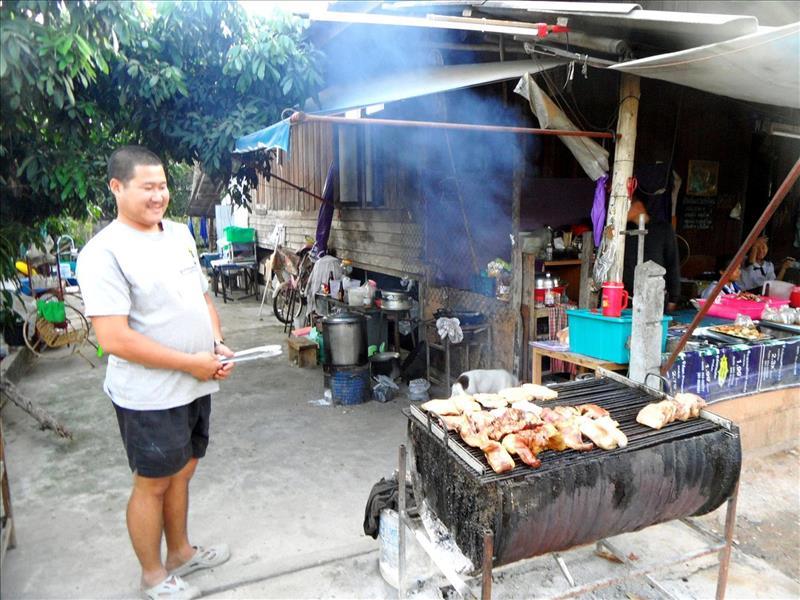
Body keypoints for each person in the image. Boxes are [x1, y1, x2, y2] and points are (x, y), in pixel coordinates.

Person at [76, 146, 234, 600]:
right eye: (147, 187)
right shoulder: (103, 252)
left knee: (183, 470)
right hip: (149, 394)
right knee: (153, 482)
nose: (159, 195)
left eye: (163, 186)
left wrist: (215, 343)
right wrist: (192, 362)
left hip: (195, 381)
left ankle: (181, 552)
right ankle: (152, 575)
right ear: (117, 188)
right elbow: (114, 339)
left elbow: (202, 298)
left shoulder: (180, 234)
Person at [622, 194, 681, 312]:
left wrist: (673, 298)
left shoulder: (663, 229)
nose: (623, 211)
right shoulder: (623, 231)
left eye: (627, 206)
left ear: (639, 206)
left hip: (655, 296)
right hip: (626, 297)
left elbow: (672, 263)